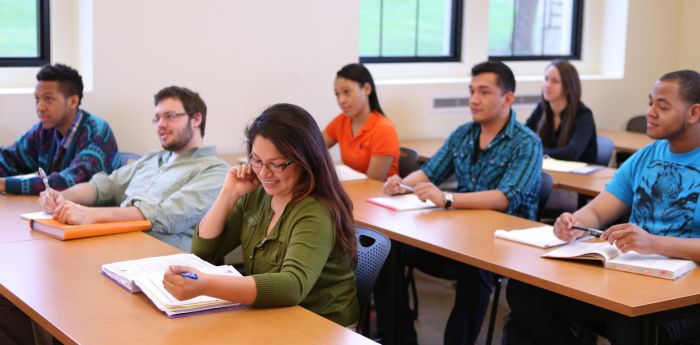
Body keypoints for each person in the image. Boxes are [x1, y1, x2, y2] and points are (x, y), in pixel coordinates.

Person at [506, 70, 700, 345]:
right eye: (649, 103)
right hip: (631, 278)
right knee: (526, 290)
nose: (650, 112)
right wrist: (573, 221)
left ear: (694, 113)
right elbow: (598, 211)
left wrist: (653, 243)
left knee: (629, 319)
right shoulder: (645, 156)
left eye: (663, 106)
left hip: (682, 295)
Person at [379, 61, 543, 345]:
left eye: (484, 92)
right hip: (460, 235)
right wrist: (402, 183)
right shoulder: (464, 134)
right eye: (471, 91)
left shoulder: (526, 143)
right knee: (387, 248)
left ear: (508, 98)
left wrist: (448, 199)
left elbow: (505, 197)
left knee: (474, 266)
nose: (474, 100)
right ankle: (398, 337)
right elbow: (430, 172)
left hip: (505, 245)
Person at [162, 103, 359, 327]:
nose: (264, 173)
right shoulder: (258, 193)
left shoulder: (315, 211)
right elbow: (203, 251)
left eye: (277, 165)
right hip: (273, 316)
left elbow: (292, 286)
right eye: (256, 160)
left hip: (322, 327)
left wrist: (206, 284)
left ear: (306, 160)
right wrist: (228, 194)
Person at [38, 86, 229, 251]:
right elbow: (106, 186)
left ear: (196, 119)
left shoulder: (215, 170)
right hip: (116, 243)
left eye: (169, 116)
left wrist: (91, 215)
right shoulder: (154, 158)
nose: (161, 125)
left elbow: (166, 215)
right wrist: (63, 197)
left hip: (160, 259)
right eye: (157, 118)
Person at [0, 63, 119, 195]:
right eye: (37, 99)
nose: (40, 107)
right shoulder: (44, 129)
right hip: (57, 210)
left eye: (48, 98)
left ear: (73, 102)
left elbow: (66, 183)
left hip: (95, 213)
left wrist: (5, 184)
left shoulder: (96, 132)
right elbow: (9, 158)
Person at [323, 63, 400, 181]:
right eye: (337, 94)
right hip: (353, 190)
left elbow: (373, 183)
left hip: (378, 196)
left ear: (367, 89)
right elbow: (313, 146)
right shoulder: (342, 120)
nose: (341, 100)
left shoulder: (384, 129)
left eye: (347, 92)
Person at [525, 59, 597, 164]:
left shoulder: (583, 115)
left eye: (555, 81)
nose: (547, 85)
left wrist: (536, 152)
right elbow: (523, 136)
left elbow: (572, 153)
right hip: (551, 170)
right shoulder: (542, 108)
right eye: (546, 79)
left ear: (568, 88)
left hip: (579, 176)